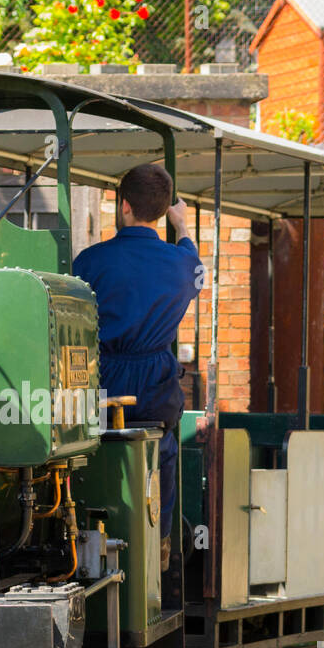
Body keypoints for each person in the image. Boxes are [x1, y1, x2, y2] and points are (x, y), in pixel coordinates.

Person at [72, 164, 203, 571]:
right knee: (161, 457)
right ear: (164, 210)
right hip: (156, 377)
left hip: (105, 374)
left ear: (123, 205)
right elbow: (195, 266)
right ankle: (156, 550)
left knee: (92, 454)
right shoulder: (182, 263)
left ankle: (91, 545)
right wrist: (182, 227)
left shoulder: (90, 261)